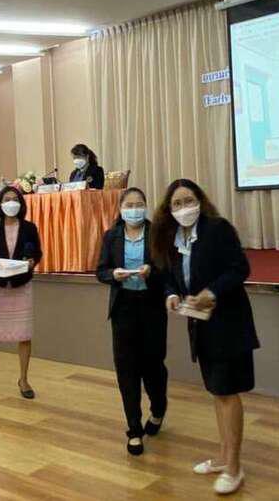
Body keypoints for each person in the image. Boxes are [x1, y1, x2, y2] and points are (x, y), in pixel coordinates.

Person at [151, 179, 259, 496]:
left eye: (189, 200)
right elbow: (168, 277)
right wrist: (171, 295)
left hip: (228, 323)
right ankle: (225, 458)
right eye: (177, 203)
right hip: (200, 325)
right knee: (217, 392)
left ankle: (235, 468)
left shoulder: (217, 229)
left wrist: (212, 292)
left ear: (200, 200)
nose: (184, 208)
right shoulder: (172, 238)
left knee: (227, 392)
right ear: (168, 210)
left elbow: (240, 268)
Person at [97, 188, 168, 456]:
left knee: (153, 367)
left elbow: (168, 269)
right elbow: (100, 270)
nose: (134, 209)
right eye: (129, 205)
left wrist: (152, 271)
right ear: (120, 209)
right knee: (126, 370)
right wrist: (113, 274)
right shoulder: (111, 236)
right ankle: (134, 430)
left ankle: (158, 408)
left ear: (146, 206)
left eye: (139, 204)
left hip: (151, 308)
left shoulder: (157, 234)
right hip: (123, 308)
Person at [0, 186, 43, 401]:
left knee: (24, 334)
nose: (11, 203)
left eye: (15, 199)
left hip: (22, 284)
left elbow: (37, 253)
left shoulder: (29, 227)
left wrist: (31, 262)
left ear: (21, 203)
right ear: (0, 204)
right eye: (7, 199)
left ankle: (23, 379)